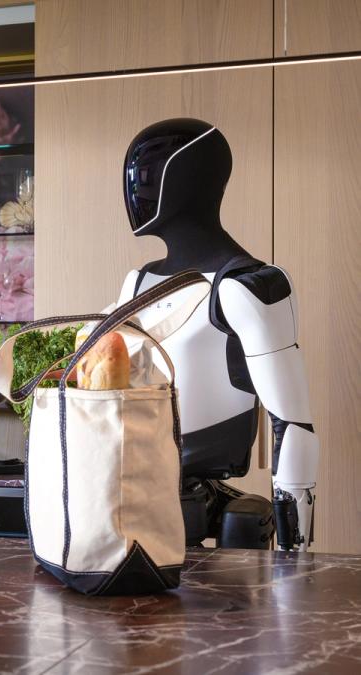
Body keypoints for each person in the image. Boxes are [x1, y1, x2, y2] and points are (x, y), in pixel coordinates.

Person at [116, 118, 318, 551]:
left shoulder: (249, 286)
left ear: (191, 178)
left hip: (206, 501)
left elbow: (292, 422)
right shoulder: (136, 283)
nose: (135, 188)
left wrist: (294, 551)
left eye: (148, 173)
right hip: (131, 489)